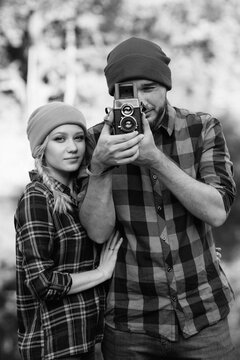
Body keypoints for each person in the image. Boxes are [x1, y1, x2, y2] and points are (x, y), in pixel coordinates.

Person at [79, 37, 237, 359]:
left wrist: (154, 159)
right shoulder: (96, 140)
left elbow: (217, 211)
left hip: (203, 313)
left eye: (149, 88)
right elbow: (96, 232)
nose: (138, 101)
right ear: (113, 94)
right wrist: (100, 167)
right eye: (127, 90)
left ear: (166, 87)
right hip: (130, 319)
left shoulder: (202, 128)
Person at [14, 101, 122, 360]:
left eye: (79, 138)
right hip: (52, 346)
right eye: (60, 139)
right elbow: (42, 283)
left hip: (82, 341)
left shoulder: (81, 195)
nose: (73, 147)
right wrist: (101, 273)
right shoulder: (37, 198)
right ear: (41, 148)